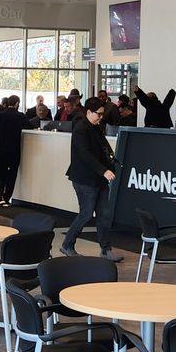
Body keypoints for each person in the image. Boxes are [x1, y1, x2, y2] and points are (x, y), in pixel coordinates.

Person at [61, 97, 122, 262]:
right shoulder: (81, 129)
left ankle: (106, 249)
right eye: (98, 114)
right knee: (86, 213)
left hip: (98, 178)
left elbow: (103, 148)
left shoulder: (96, 127)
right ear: (88, 112)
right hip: (84, 179)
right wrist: (103, 170)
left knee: (104, 214)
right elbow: (85, 154)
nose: (101, 117)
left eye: (102, 114)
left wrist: (111, 164)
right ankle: (67, 244)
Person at [0, 94, 28, 206]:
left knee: (0, 174)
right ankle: (7, 197)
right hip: (14, 149)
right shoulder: (20, 116)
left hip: (0, 149)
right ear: (17, 103)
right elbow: (29, 126)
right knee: (12, 174)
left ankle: (0, 196)